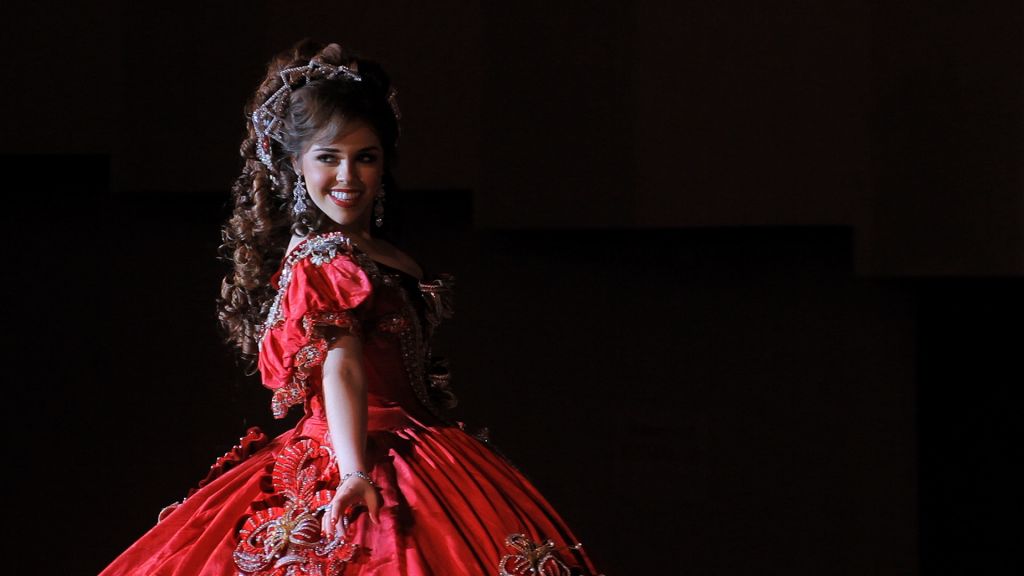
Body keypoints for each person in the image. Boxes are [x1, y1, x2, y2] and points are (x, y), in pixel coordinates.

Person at [101, 40, 601, 576]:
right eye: (328, 158)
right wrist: (354, 473)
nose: (348, 177)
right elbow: (342, 363)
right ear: (295, 163)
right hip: (355, 452)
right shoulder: (322, 262)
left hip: (420, 445)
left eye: (365, 158)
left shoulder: (374, 254)